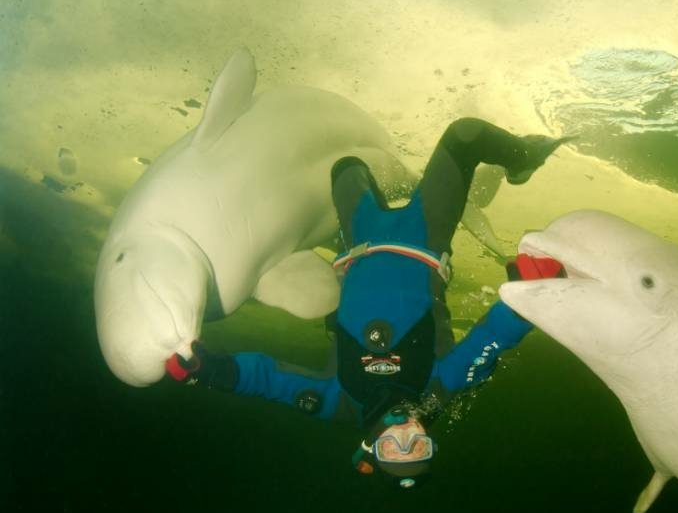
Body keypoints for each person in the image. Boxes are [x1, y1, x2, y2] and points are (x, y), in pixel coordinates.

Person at [166, 117, 568, 488]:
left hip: (360, 237)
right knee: (467, 135)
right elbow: (493, 339)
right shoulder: (440, 387)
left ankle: (393, 184)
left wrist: (208, 369)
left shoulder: (335, 401)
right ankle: (523, 160)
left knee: (345, 165)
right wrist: (530, 294)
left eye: (395, 451)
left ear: (370, 447)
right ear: (431, 443)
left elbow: (267, 381)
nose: (407, 439)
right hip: (423, 236)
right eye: (420, 448)